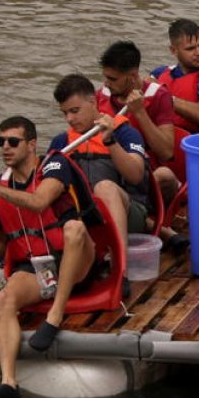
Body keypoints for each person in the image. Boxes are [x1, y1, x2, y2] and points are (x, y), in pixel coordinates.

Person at [0, 116, 99, 398]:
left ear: (32, 144)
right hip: (39, 268)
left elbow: (39, 202)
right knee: (4, 299)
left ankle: (55, 316)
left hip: (77, 258)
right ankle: (9, 383)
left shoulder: (54, 165)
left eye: (13, 141)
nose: (5, 147)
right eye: (0, 142)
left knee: (74, 228)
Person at [51, 74, 150, 260]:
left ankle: (120, 264)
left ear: (93, 102)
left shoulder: (125, 133)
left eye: (75, 111)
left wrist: (110, 141)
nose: (69, 119)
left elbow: (136, 176)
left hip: (129, 214)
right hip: (83, 217)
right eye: (65, 113)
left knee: (104, 187)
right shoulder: (61, 142)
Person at [98, 40, 180, 204]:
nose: (107, 83)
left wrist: (139, 112)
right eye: (106, 78)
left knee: (165, 175)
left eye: (113, 79)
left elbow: (166, 152)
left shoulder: (159, 96)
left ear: (133, 76)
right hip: (107, 170)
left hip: (146, 173)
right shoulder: (100, 95)